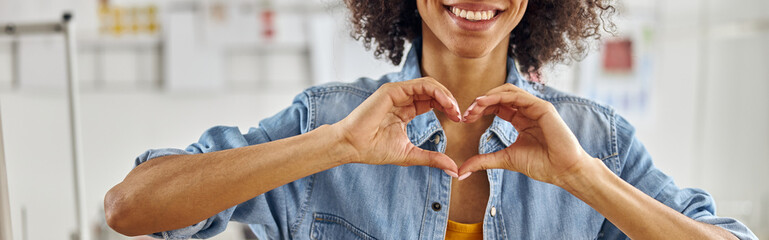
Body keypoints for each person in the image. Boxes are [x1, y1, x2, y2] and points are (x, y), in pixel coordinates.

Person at [104, 0, 757, 239]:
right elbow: (131, 209)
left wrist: (582, 177)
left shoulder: (596, 142)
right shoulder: (328, 118)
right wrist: (334, 146)